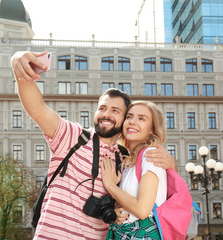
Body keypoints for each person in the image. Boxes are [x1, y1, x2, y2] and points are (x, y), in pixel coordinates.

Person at [11, 51, 175, 239]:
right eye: (102, 108)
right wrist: (19, 64)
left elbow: (148, 195)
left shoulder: (124, 158)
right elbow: (38, 108)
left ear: (123, 121)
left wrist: (118, 212)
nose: (106, 114)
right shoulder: (72, 136)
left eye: (115, 111)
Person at [101, 100, 167, 239]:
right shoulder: (128, 163)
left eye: (141, 118)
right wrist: (116, 213)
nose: (132, 121)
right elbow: (129, 207)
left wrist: (110, 186)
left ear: (152, 130)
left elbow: (142, 210)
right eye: (129, 117)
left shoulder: (150, 155)